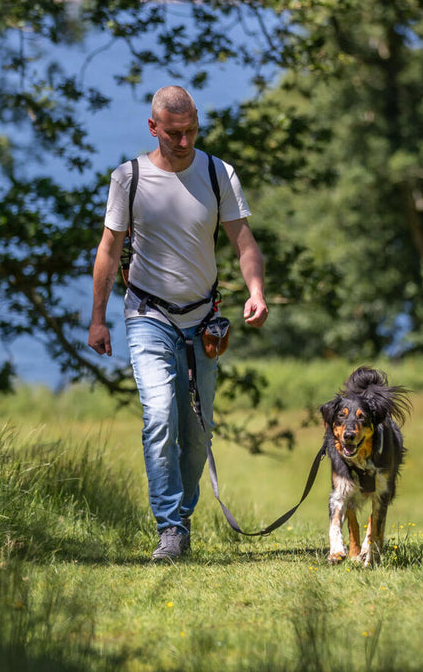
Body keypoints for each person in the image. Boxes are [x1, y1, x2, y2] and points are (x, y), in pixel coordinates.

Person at [88, 85, 269, 561]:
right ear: (153, 128)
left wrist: (255, 291)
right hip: (147, 314)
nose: (184, 142)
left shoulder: (217, 173)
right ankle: (169, 526)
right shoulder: (128, 178)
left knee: (197, 430)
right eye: (174, 134)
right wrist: (98, 320)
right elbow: (108, 251)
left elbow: (244, 243)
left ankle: (181, 519)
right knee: (159, 416)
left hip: (204, 318)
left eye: (191, 131)